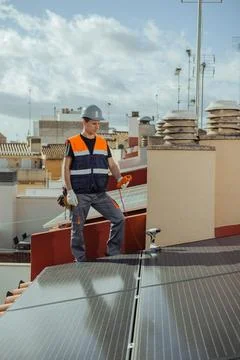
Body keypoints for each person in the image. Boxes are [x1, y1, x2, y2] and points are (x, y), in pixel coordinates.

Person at [63, 104, 132, 262]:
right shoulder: (72, 142)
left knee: (119, 218)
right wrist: (69, 191)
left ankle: (113, 252)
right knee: (77, 228)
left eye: (98, 123)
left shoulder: (103, 143)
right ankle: (80, 259)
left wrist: (119, 178)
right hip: (80, 195)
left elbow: (112, 165)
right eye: (94, 123)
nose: (97, 126)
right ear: (85, 122)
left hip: (100, 194)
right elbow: (65, 168)